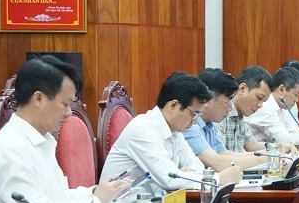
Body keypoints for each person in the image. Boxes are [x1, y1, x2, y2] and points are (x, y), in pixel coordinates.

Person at [0, 57, 131, 203]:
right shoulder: (10, 148)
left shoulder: (41, 140)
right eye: (65, 104)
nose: (69, 113)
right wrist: (96, 202)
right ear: (39, 99)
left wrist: (95, 192)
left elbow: (58, 199)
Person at [101, 72, 242, 193]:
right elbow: (170, 179)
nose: (195, 121)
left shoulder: (175, 131)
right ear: (173, 105)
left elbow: (197, 167)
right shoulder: (143, 129)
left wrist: (182, 175)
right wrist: (218, 178)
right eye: (193, 114)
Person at [183, 68, 268, 171]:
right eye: (228, 101)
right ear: (208, 99)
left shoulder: (210, 125)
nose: (230, 108)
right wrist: (267, 158)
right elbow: (217, 162)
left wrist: (268, 154)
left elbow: (225, 154)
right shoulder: (190, 125)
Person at [218, 66, 296, 156]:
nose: (260, 105)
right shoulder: (221, 113)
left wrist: (279, 146)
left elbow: (253, 145)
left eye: (264, 101)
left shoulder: (239, 114)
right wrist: (266, 156)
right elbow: (222, 155)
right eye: (259, 98)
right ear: (242, 88)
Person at [246, 66, 299, 146]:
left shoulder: (282, 106)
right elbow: (283, 139)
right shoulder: (265, 106)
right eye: (296, 95)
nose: (297, 100)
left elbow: (293, 131)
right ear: (281, 89)